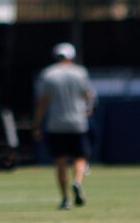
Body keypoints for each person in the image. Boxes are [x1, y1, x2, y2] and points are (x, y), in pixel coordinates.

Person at [33, 43, 96, 209]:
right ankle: (77, 181)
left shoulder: (48, 74)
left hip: (56, 123)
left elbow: (42, 101)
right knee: (80, 158)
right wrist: (88, 109)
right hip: (77, 123)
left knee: (60, 161)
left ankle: (65, 199)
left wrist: (37, 124)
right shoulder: (80, 72)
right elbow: (88, 95)